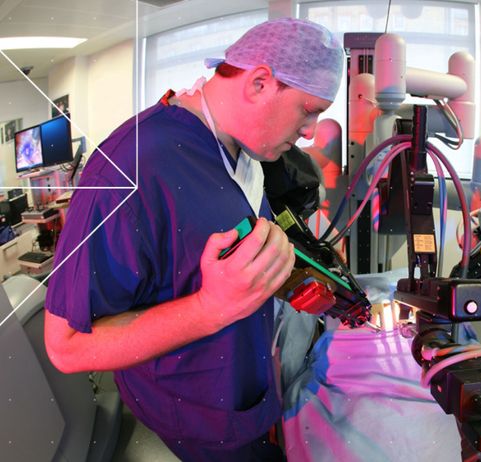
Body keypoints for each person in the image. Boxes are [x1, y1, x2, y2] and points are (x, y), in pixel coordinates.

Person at [43, 18, 343, 461]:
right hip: (202, 417)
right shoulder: (129, 171)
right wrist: (209, 309)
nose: (311, 132)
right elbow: (65, 346)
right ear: (259, 82)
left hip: (250, 391)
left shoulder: (241, 150)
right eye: (309, 110)